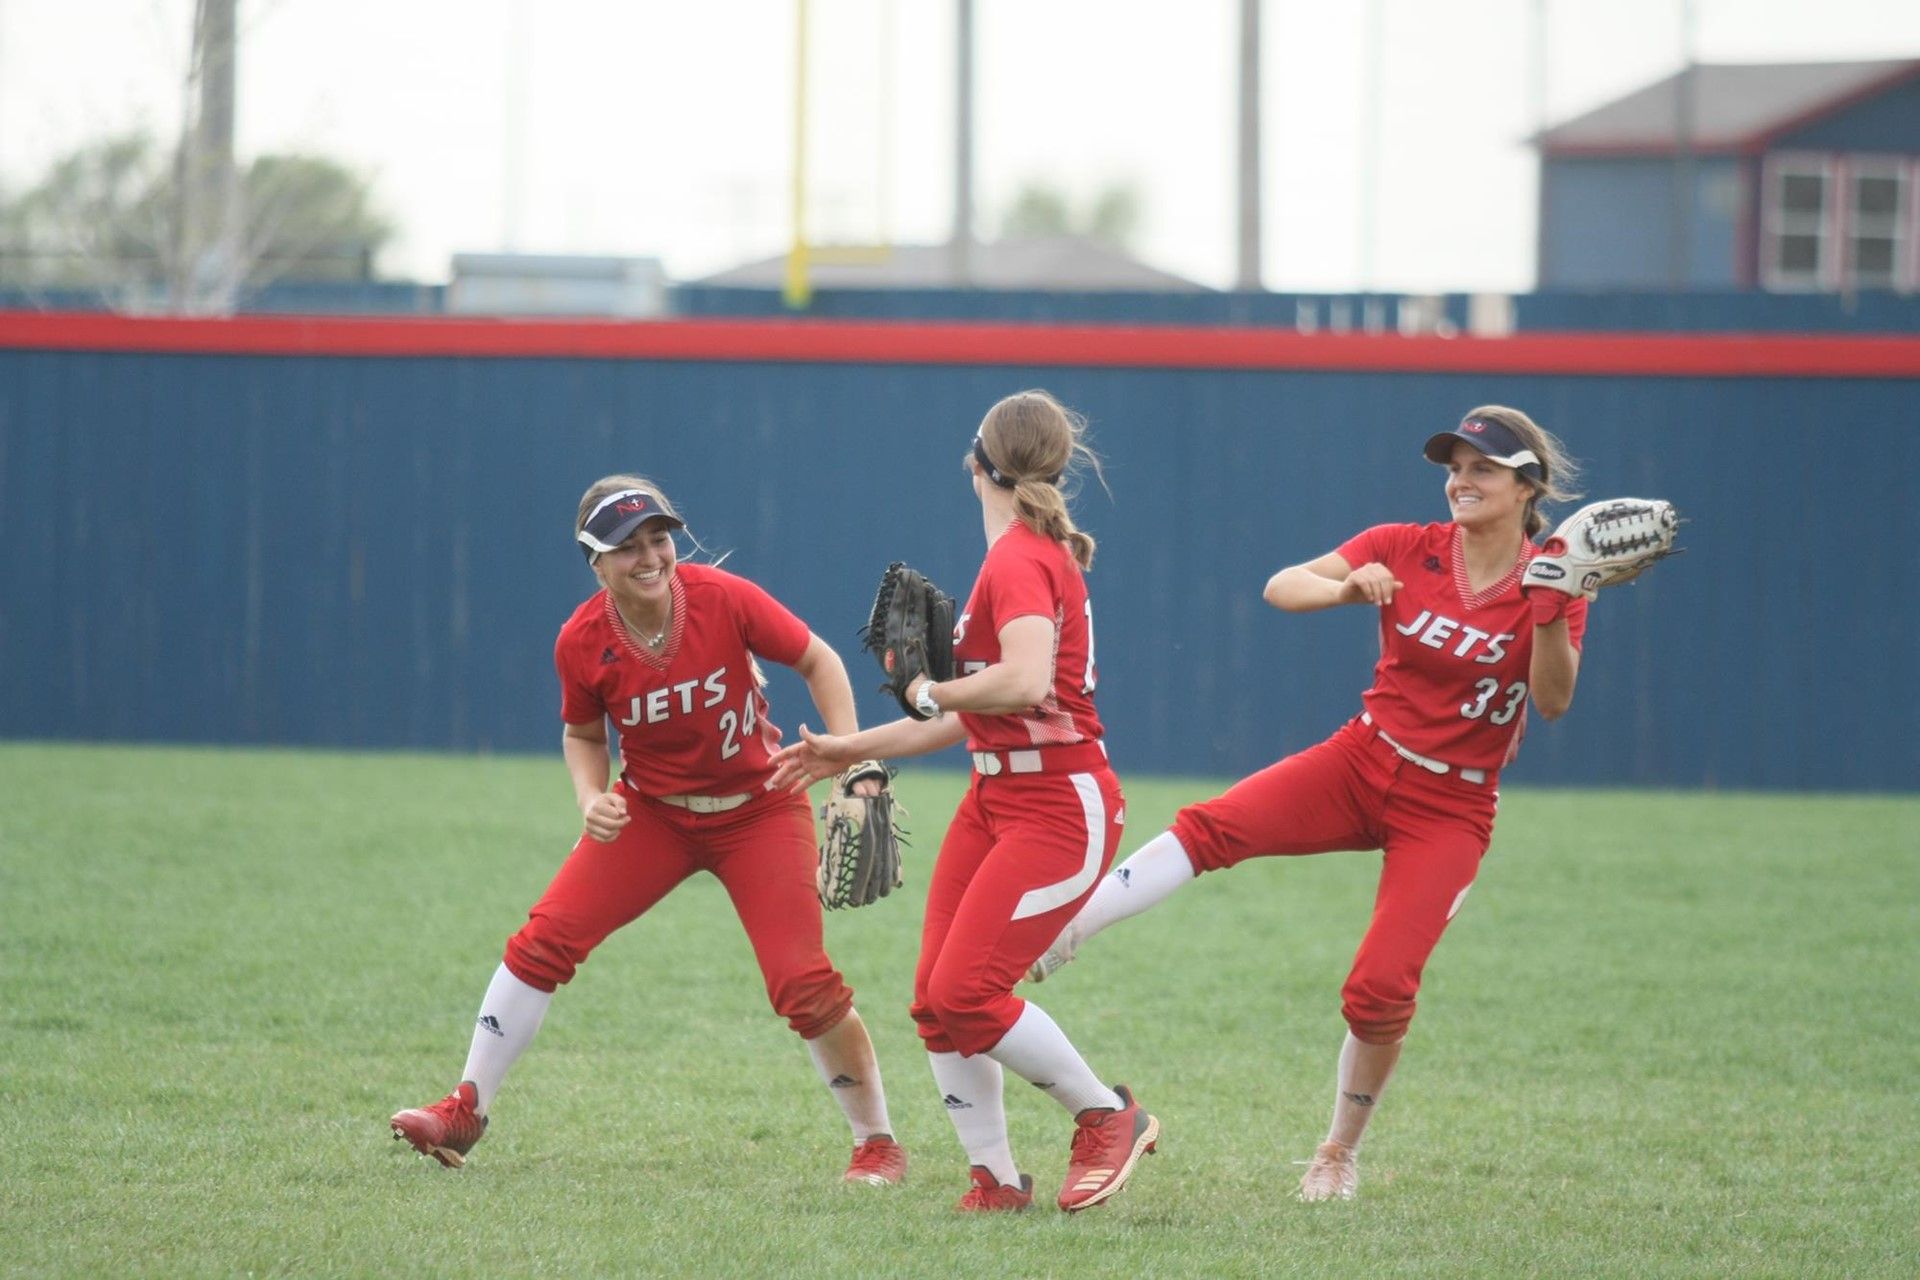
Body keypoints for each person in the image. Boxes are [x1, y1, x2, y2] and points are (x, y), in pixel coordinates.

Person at [1027, 405, 1591, 1202]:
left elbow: (1555, 699)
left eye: (1483, 469)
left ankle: (1337, 1151)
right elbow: (1282, 585)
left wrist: (1551, 611)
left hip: (1451, 806)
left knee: (1379, 989)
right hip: (1364, 759)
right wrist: (1347, 588)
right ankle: (1071, 926)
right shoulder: (1406, 545)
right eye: (1455, 466)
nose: (1461, 480)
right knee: (1212, 826)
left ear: (1527, 485)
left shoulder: (1552, 579)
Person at [390, 474, 907, 1187]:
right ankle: (464, 1110)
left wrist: (853, 759)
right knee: (544, 941)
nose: (649, 557)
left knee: (801, 984)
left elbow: (817, 659)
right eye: (625, 547)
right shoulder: (581, 640)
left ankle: (876, 1143)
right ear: (594, 562)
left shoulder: (723, 598)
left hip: (760, 808)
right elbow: (582, 733)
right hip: (653, 815)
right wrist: (588, 796)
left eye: (657, 538)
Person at [768, 390, 1158, 1214]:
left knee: (966, 995)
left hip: (1058, 803)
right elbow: (962, 716)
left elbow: (1022, 680)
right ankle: (997, 1179)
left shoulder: (1020, 556)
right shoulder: (1020, 554)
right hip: (998, 798)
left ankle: (1106, 1116)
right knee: (936, 1003)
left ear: (975, 464)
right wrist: (850, 748)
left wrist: (925, 684)